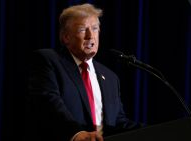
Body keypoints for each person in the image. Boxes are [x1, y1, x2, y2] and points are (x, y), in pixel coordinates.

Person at [26, 3, 141, 141]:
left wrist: (154, 131)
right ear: (66, 37)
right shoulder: (49, 60)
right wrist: (76, 133)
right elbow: (48, 103)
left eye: (94, 29)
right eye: (82, 29)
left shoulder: (110, 77)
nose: (90, 36)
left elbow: (118, 121)